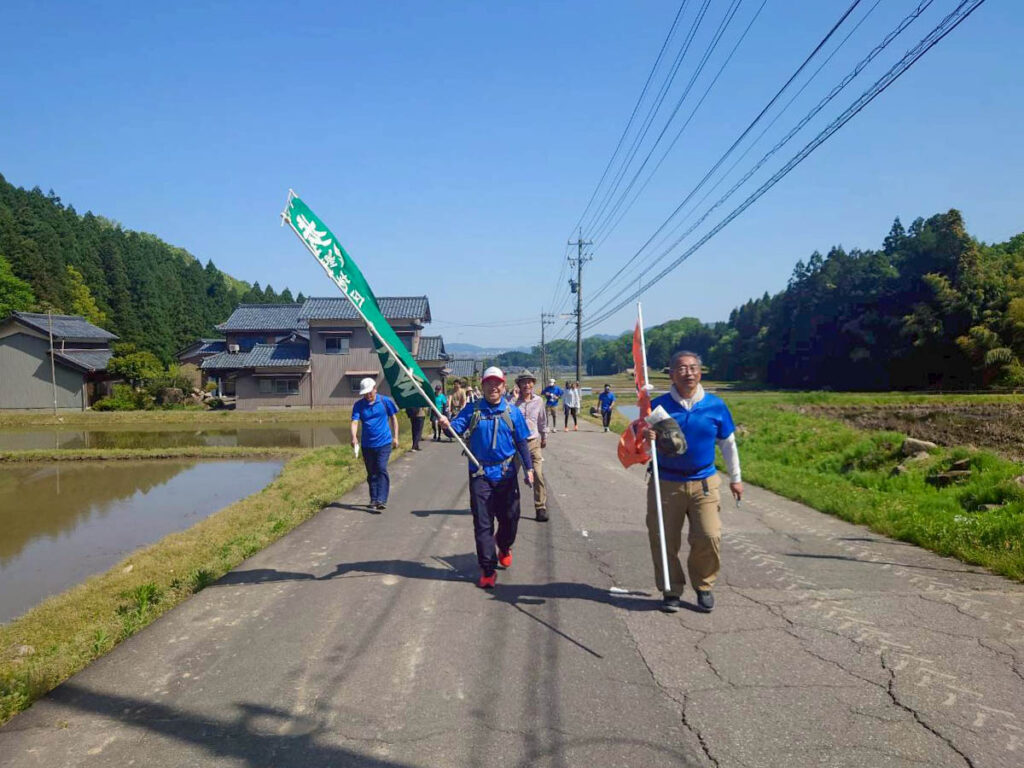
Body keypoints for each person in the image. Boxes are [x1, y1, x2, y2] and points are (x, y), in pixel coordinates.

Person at [644, 350, 742, 614]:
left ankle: (704, 585)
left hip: (704, 482)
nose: (688, 373)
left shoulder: (715, 406)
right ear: (672, 374)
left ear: (700, 371)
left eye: (693, 368)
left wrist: (736, 478)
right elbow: (642, 448)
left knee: (709, 536)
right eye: (681, 368)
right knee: (664, 539)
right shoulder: (658, 406)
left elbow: (728, 443)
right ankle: (670, 589)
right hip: (666, 483)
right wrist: (647, 438)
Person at [437, 367, 533, 589]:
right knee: (483, 523)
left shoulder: (512, 411)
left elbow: (521, 442)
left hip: (507, 473)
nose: (493, 387)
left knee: (510, 518)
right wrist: (446, 425)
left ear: (504, 385)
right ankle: (487, 569)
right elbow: (454, 431)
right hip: (480, 473)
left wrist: (528, 468)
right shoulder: (473, 410)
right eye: (489, 383)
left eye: (497, 383)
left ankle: (504, 545)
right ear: (482, 386)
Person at [350, 377, 400, 511]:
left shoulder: (385, 401)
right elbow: (355, 422)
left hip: (384, 442)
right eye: (365, 393)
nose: (368, 395)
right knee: (371, 472)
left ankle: (382, 499)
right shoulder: (359, 405)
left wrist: (396, 437)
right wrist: (354, 436)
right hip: (367, 444)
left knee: (381, 468)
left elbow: (393, 418)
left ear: (375, 389)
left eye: (370, 392)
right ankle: (373, 498)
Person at [515, 370, 549, 522]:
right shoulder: (512, 403)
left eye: (529, 382)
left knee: (538, 474)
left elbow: (542, 420)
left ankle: (540, 507)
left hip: (533, 442)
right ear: (519, 385)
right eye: (523, 382)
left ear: (533, 384)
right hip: (515, 445)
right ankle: (510, 506)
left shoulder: (539, 401)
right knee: (510, 477)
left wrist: (544, 436)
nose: (527, 385)